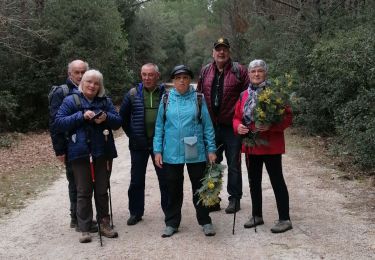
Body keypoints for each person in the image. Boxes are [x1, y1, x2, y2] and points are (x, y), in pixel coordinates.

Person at [54, 69, 121, 243]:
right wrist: (81, 116)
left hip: (102, 152)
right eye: (89, 82)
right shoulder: (71, 100)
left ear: (100, 86)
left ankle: (104, 224)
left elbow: (117, 122)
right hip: (80, 153)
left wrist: (105, 117)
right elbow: (59, 123)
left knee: (101, 189)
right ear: (82, 82)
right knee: (83, 191)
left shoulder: (105, 101)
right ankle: (84, 228)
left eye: (96, 83)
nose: (92, 85)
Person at [154, 65, 217, 237]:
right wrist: (157, 150)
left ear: (190, 80)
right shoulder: (166, 99)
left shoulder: (198, 98)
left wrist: (211, 149)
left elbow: (208, 127)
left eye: (185, 77)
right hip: (171, 153)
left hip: (195, 151)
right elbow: (159, 127)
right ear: (173, 81)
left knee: (200, 188)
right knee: (173, 189)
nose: (182, 80)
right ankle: (172, 223)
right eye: (178, 78)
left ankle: (205, 221)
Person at [233, 59, 293, 233]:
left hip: (271, 145)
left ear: (265, 73)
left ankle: (284, 219)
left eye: (260, 71)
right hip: (251, 146)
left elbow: (288, 117)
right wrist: (238, 127)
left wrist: (271, 126)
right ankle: (257, 215)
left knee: (277, 181)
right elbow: (236, 117)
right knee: (253, 182)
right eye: (253, 72)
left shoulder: (276, 93)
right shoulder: (243, 95)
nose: (256, 74)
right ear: (249, 75)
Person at [197, 37, 250, 213]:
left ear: (229, 52)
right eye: (218, 49)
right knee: (212, 162)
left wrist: (244, 121)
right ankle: (212, 198)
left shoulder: (239, 71)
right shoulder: (205, 71)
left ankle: (234, 198)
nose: (221, 52)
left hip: (232, 126)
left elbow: (248, 98)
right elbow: (198, 97)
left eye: (224, 49)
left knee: (234, 163)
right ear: (213, 52)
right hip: (211, 127)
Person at [49, 59, 97, 232]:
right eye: (76, 72)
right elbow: (55, 124)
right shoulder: (62, 92)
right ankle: (76, 218)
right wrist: (59, 149)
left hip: (88, 146)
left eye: (83, 71)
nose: (80, 75)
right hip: (70, 146)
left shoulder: (90, 89)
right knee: (75, 182)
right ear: (70, 74)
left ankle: (83, 217)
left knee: (86, 181)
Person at [119, 63, 168, 226]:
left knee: (165, 179)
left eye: (150, 75)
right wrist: (132, 135)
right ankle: (135, 212)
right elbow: (123, 117)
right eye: (144, 74)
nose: (147, 78)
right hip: (138, 144)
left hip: (160, 145)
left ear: (157, 76)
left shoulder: (166, 94)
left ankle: (169, 211)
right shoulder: (132, 94)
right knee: (136, 180)